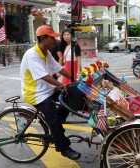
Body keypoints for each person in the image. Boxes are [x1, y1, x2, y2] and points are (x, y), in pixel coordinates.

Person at [20, 25, 81, 160]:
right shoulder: (32, 55)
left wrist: (75, 80)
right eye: (52, 37)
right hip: (36, 94)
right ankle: (64, 148)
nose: (55, 40)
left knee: (68, 98)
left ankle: (56, 129)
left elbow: (59, 68)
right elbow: (44, 76)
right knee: (54, 119)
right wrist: (61, 84)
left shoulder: (46, 53)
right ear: (43, 38)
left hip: (46, 89)